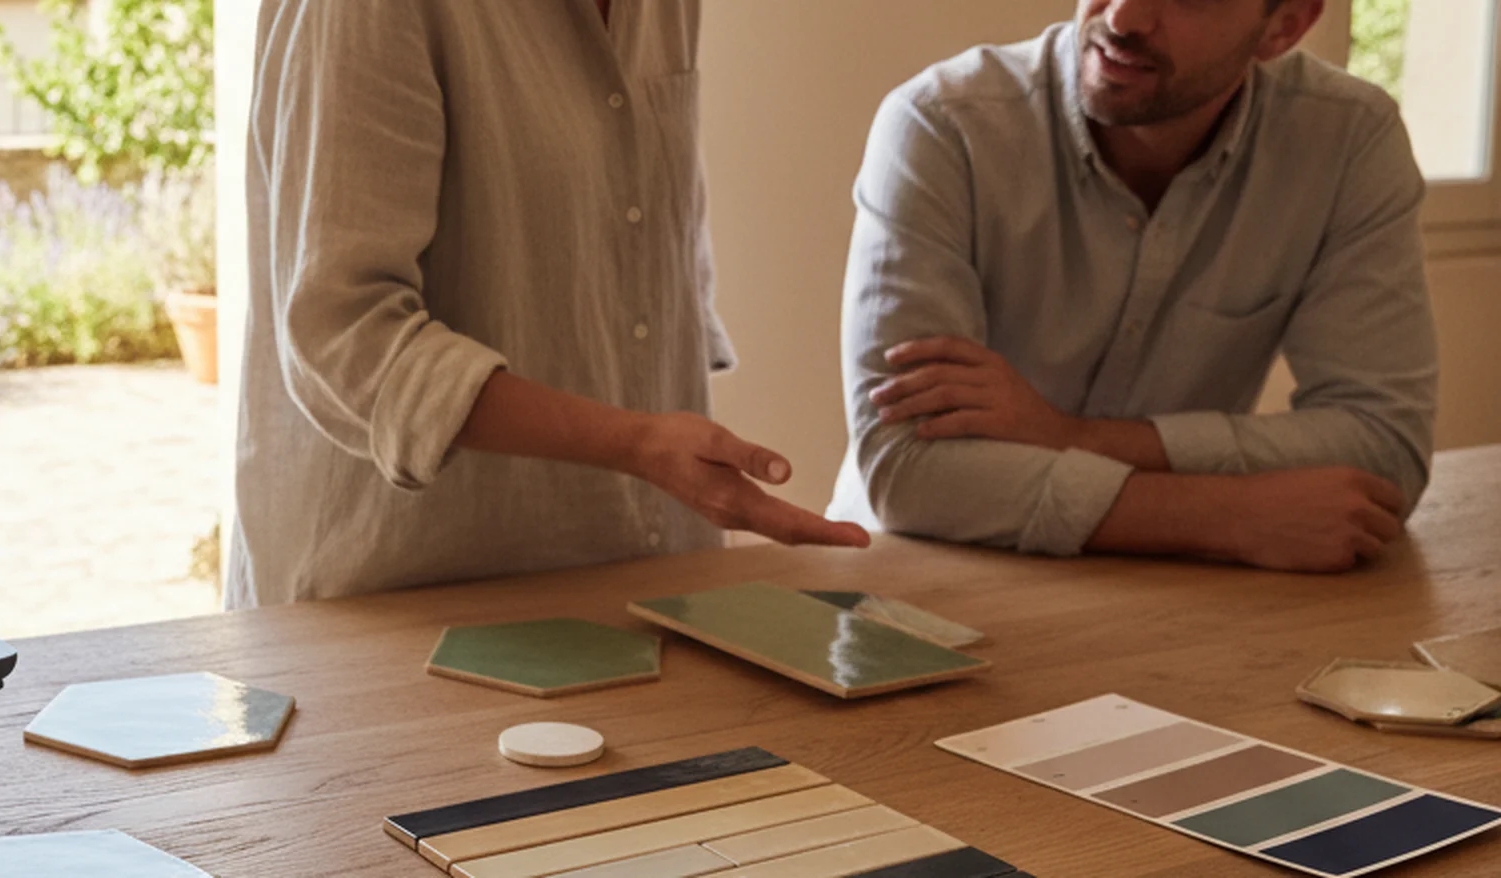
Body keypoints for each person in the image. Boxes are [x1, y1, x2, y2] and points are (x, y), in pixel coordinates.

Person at [232, 0, 868, 608]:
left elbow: (650, 259)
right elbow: (346, 335)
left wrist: (672, 471)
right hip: (399, 612)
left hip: (645, 590)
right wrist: (639, 444)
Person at [829, 0, 1438, 573]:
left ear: (1284, 27)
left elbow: (1384, 445)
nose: (1123, 16)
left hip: (1176, 598)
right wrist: (1223, 515)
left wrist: (1074, 438)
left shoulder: (1348, 138)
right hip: (921, 580)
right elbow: (907, 470)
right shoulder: (943, 123)